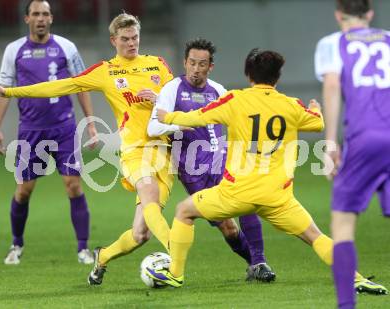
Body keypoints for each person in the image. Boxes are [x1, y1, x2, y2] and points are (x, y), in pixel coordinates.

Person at [145, 49, 386, 295]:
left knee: (184, 211)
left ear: (249, 74)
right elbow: (317, 123)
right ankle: (356, 278)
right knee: (315, 236)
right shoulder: (291, 105)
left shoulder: (235, 100)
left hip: (236, 193)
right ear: (277, 77)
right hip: (277, 197)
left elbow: (198, 117)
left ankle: (175, 275)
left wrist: (168, 115)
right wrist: (316, 109)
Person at [0, 13, 175, 285]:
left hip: (163, 152)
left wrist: (161, 100)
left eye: (135, 38)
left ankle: (102, 257)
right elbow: (59, 86)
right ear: (113, 40)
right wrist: (10, 92)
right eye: (125, 39)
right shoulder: (105, 71)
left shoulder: (157, 65)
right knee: (148, 193)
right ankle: (176, 255)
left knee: (140, 234)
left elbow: (178, 102)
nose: (132, 43)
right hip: (134, 151)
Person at [147, 38, 274, 282]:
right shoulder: (172, 89)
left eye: (202, 64)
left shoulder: (218, 90)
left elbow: (239, 119)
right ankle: (252, 263)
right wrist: (179, 125)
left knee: (246, 201)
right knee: (227, 226)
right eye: (192, 63)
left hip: (222, 159)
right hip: (193, 170)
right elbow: (153, 126)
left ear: (210, 67)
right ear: (185, 63)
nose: (196, 68)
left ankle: (260, 262)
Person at [0, 0, 97, 265]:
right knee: (24, 190)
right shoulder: (14, 50)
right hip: (30, 130)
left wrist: (91, 123)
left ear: (51, 18)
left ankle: (83, 248)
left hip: (64, 128)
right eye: (35, 14)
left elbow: (81, 85)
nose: (41, 18)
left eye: (45, 14)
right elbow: (4, 90)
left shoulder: (66, 47)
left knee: (73, 185)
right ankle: (16, 244)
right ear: (27, 19)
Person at [314, 0, 390, 307]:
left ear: (338, 14)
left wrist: (331, 143)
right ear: (369, 14)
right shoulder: (387, 38)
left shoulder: (332, 43)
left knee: (343, 225)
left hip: (365, 139)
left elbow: (332, 86)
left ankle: (347, 305)